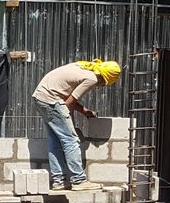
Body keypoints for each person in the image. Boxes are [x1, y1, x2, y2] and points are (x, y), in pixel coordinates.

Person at [31, 59, 120, 192]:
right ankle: (79, 180)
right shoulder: (91, 78)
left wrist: (85, 112)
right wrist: (67, 119)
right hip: (51, 100)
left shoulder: (83, 67)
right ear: (104, 77)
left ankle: (58, 181)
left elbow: (68, 99)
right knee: (71, 140)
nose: (102, 86)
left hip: (41, 97)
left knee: (55, 140)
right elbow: (70, 102)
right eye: (105, 83)